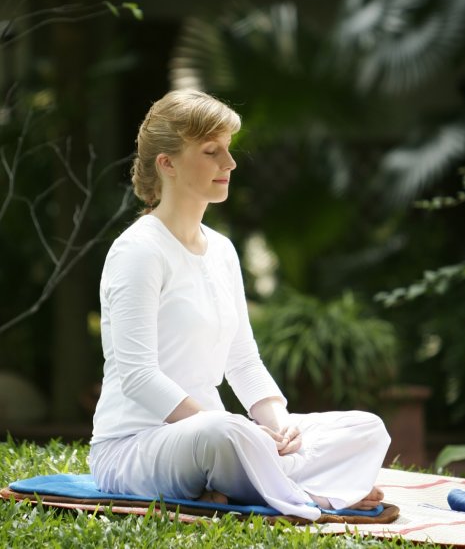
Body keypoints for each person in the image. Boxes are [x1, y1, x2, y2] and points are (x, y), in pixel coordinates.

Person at [89, 89, 390, 520]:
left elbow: (243, 360)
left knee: (366, 428)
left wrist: (278, 426)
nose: (229, 164)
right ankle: (319, 495)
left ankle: (256, 482)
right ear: (167, 164)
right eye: (211, 151)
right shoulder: (138, 251)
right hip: (137, 447)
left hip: (220, 438)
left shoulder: (222, 251)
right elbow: (138, 377)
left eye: (227, 149)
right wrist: (242, 431)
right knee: (224, 432)